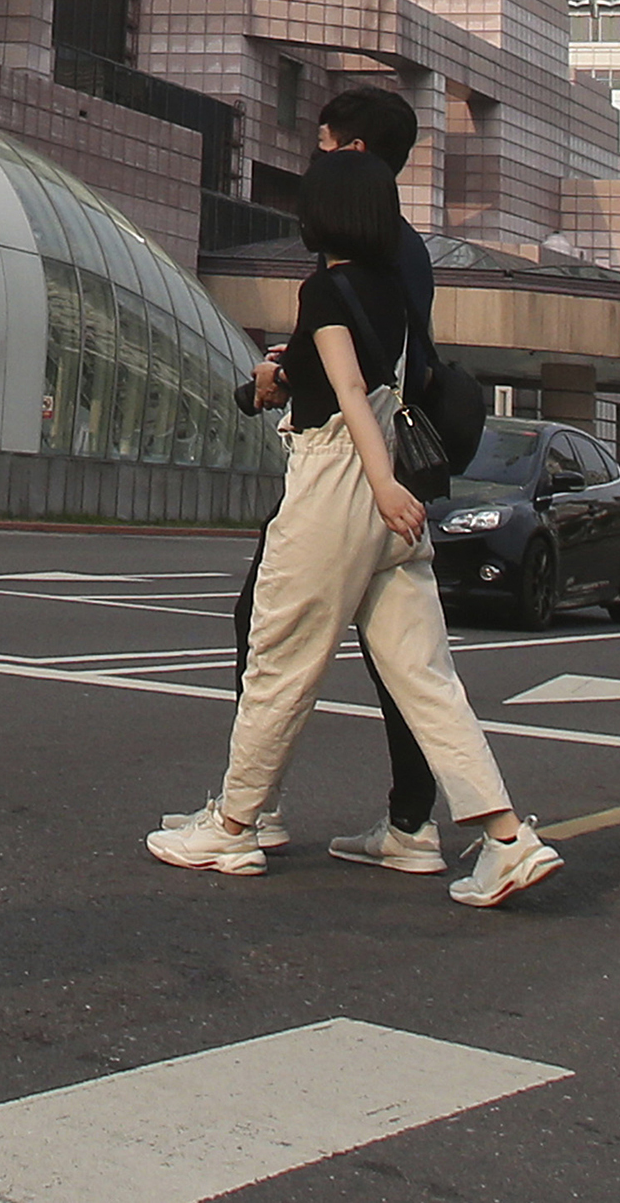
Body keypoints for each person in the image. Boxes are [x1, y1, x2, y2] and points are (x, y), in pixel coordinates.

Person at [153, 149, 554, 908]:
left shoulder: (326, 289)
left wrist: (373, 483)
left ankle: (234, 826)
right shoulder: (393, 296)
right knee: (426, 680)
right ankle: (507, 840)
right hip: (393, 494)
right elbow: (359, 377)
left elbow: (341, 389)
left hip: (341, 485)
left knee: (280, 657)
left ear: (320, 216)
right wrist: (293, 384)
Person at [228, 86, 448, 873]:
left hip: (350, 470)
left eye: (323, 141)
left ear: (350, 151)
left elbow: (354, 374)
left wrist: (277, 380)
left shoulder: (361, 251)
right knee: (404, 657)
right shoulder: (403, 246)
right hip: (387, 470)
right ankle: (416, 825)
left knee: (270, 628)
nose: (313, 154)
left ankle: (248, 814)